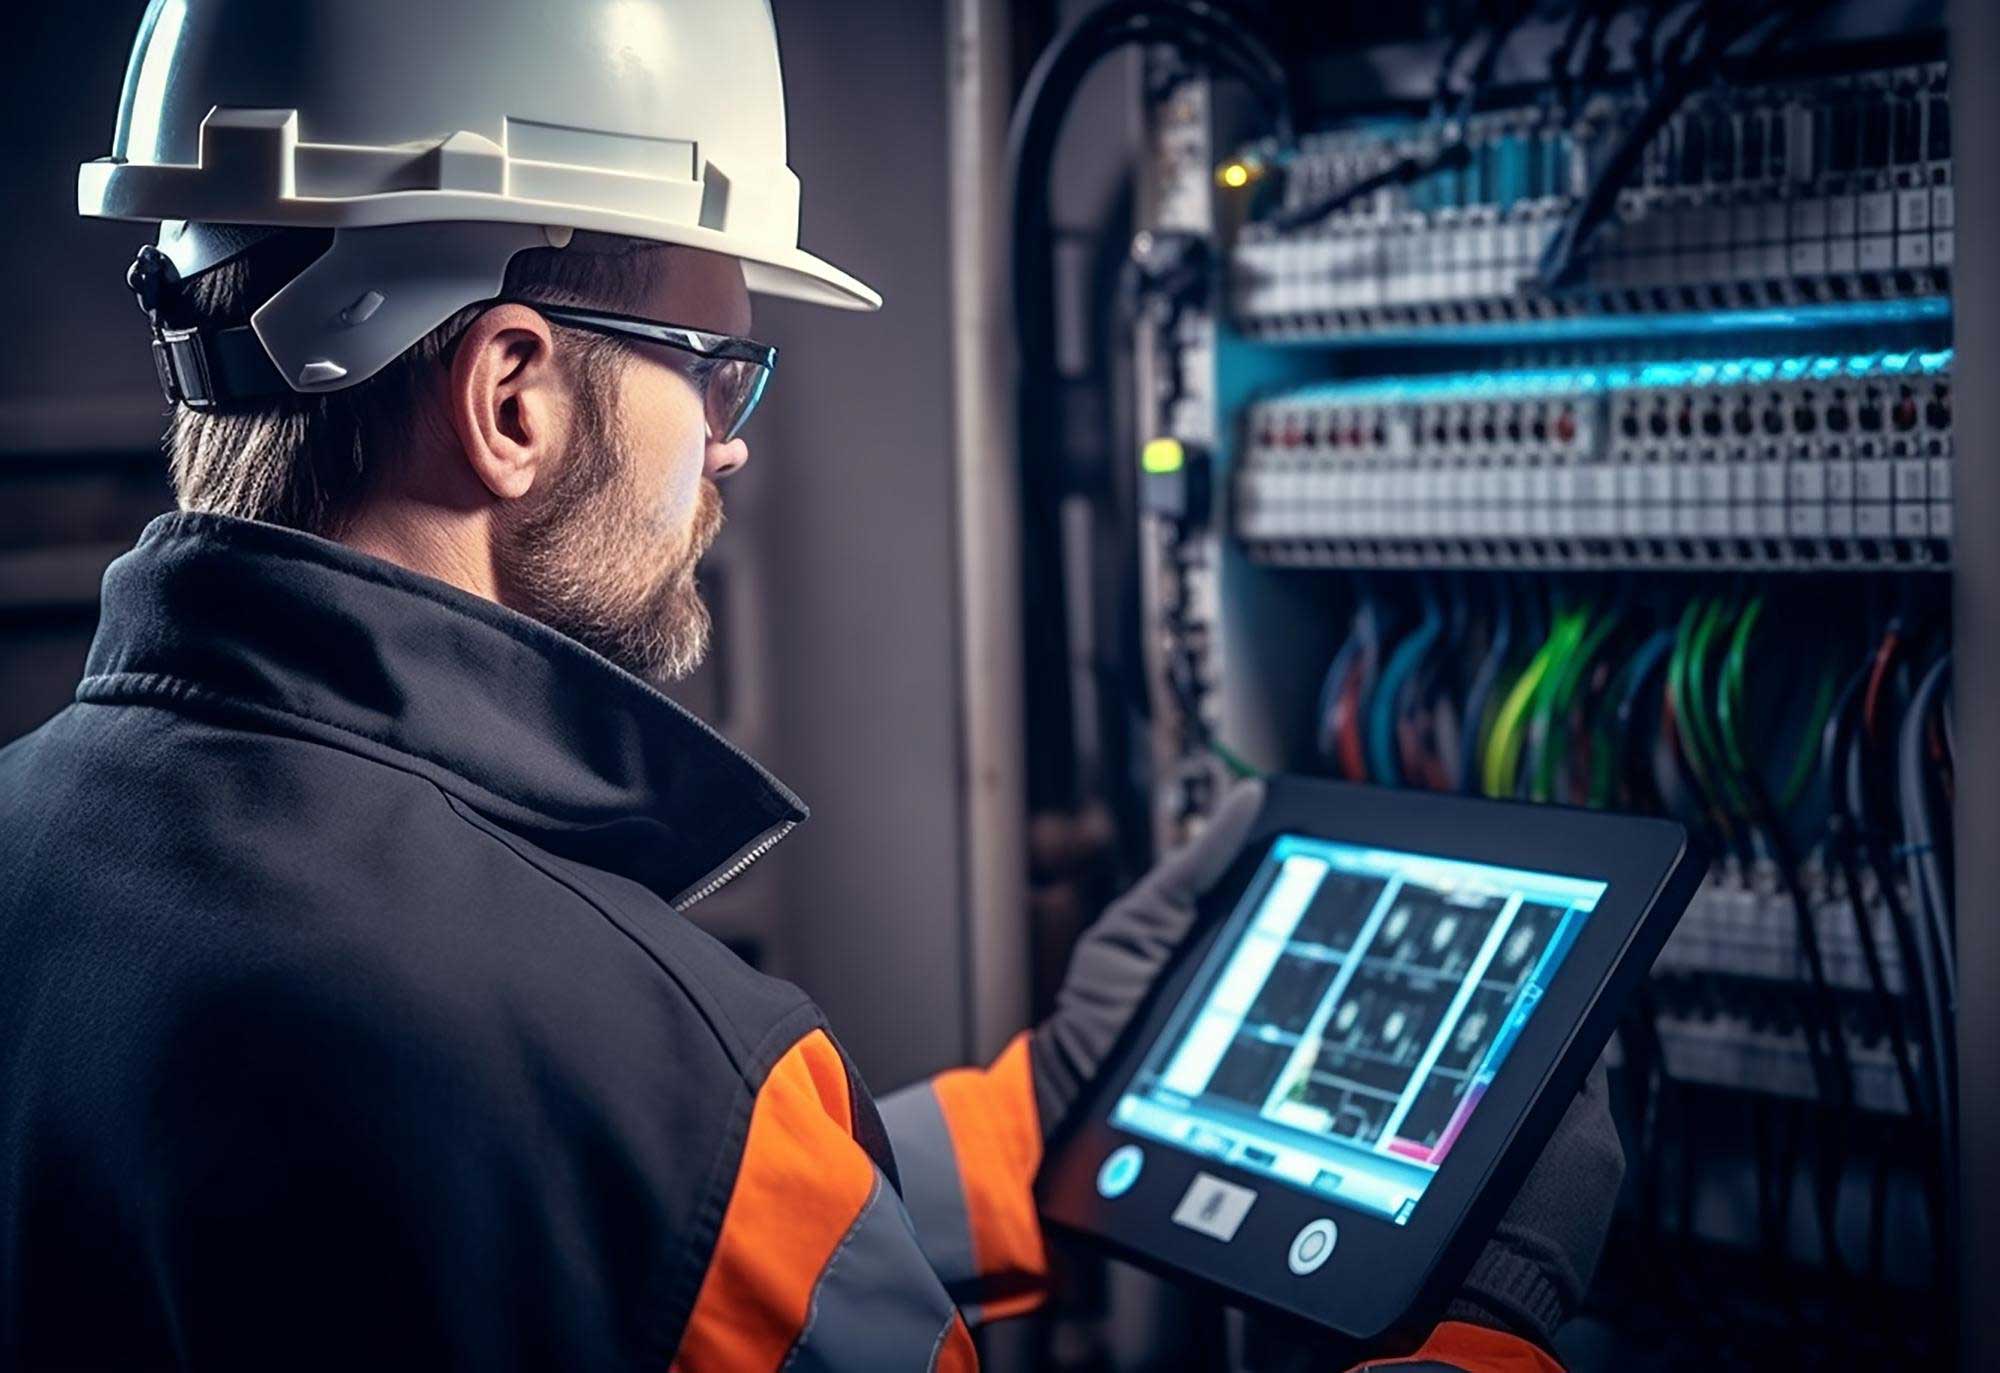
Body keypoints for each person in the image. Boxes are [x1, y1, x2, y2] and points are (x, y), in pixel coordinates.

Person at [0, 2, 1623, 1368]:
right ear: (511, 396)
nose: (732, 435)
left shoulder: (27, 846)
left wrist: (1034, 1120)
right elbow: (656, 1202)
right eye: (714, 362)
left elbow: (593, 1237)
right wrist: (1498, 1325)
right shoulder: (648, 1070)